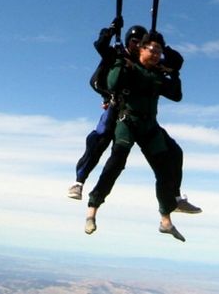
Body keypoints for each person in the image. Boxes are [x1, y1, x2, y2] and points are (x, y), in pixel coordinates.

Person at [83, 31, 200, 241]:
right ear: (141, 49)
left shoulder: (156, 74)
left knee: (165, 169)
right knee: (116, 163)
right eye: (152, 50)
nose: (155, 54)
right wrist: (119, 62)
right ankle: (92, 210)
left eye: (158, 51)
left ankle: (166, 220)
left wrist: (173, 73)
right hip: (128, 122)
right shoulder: (129, 67)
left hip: (149, 127)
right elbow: (112, 84)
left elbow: (176, 95)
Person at [68, 19, 145, 200]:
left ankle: (98, 195)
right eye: (135, 41)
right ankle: (79, 182)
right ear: (128, 41)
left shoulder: (143, 63)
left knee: (119, 154)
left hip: (129, 111)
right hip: (113, 104)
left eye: (142, 43)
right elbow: (101, 45)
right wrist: (111, 31)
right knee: (99, 141)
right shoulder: (116, 53)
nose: (138, 46)